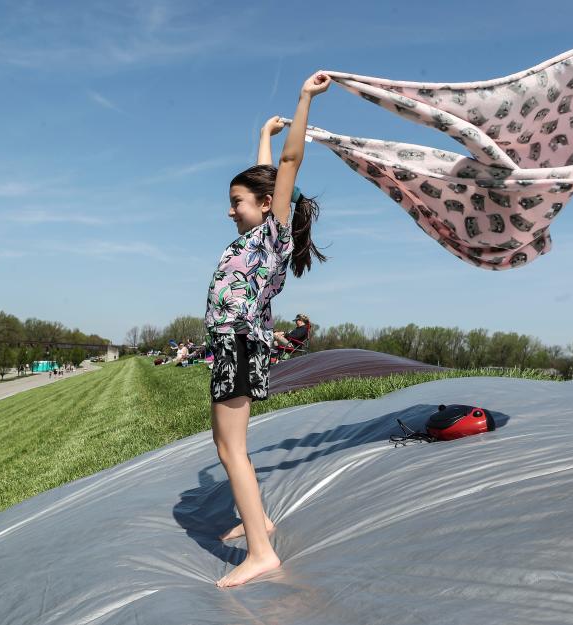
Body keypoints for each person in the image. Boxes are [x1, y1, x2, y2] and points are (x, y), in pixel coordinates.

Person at [205, 71, 330, 588]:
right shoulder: (259, 231)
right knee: (227, 444)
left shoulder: (271, 235)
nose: (230, 210)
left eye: (238, 202)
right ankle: (261, 521)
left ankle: (261, 551)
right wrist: (263, 135)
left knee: (230, 448)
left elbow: (287, 165)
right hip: (232, 343)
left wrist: (304, 99)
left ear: (263, 206)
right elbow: (268, 170)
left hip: (238, 343)